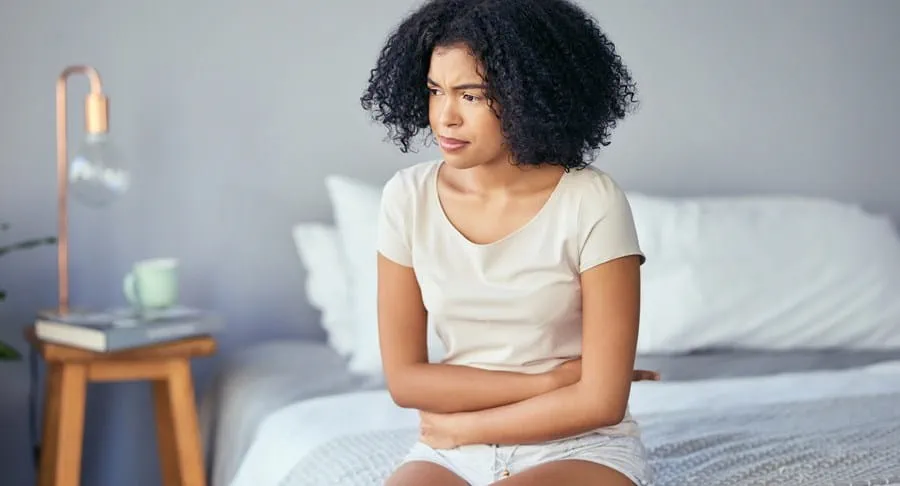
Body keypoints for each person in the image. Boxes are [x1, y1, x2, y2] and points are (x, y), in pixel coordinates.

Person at [360, 0, 656, 484]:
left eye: (471, 96)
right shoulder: (406, 197)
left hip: (578, 444)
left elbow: (601, 401)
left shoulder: (591, 199)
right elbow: (407, 379)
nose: (445, 117)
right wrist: (550, 381)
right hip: (448, 454)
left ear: (529, 96)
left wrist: (466, 428)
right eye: (436, 90)